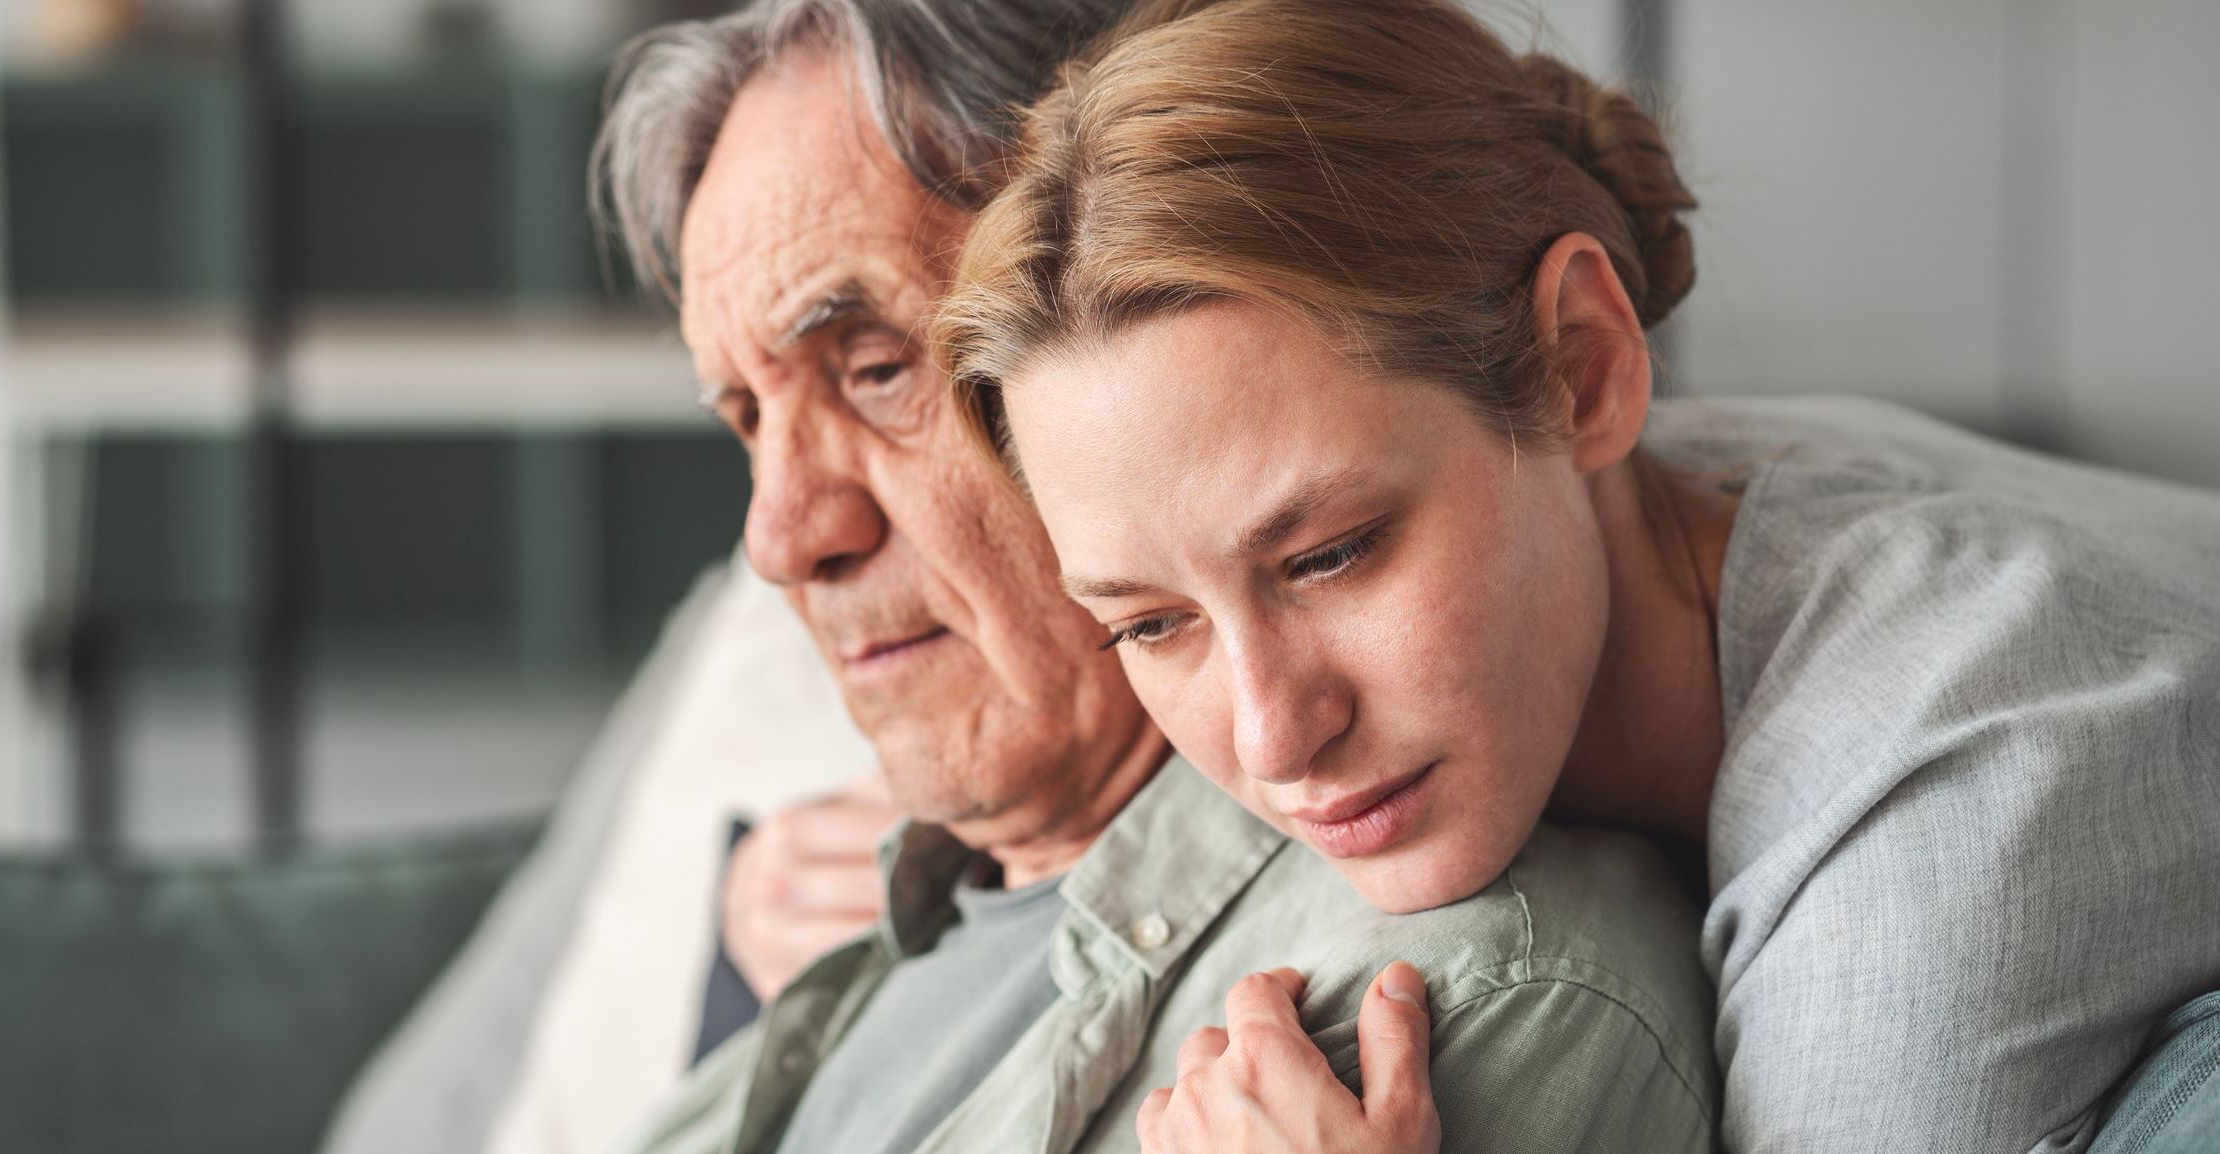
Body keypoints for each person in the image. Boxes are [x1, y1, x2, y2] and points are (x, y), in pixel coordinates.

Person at [936, 0, 2220, 1150]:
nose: (1274, 736)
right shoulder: (1598, 487)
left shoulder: (1930, 847)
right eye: (1151, 625)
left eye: (1328, 555)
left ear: (1584, 367)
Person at [591, 1, 1718, 1152]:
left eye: (878, 368)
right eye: (745, 414)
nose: (777, 538)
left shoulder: (1430, 1005)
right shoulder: (848, 888)